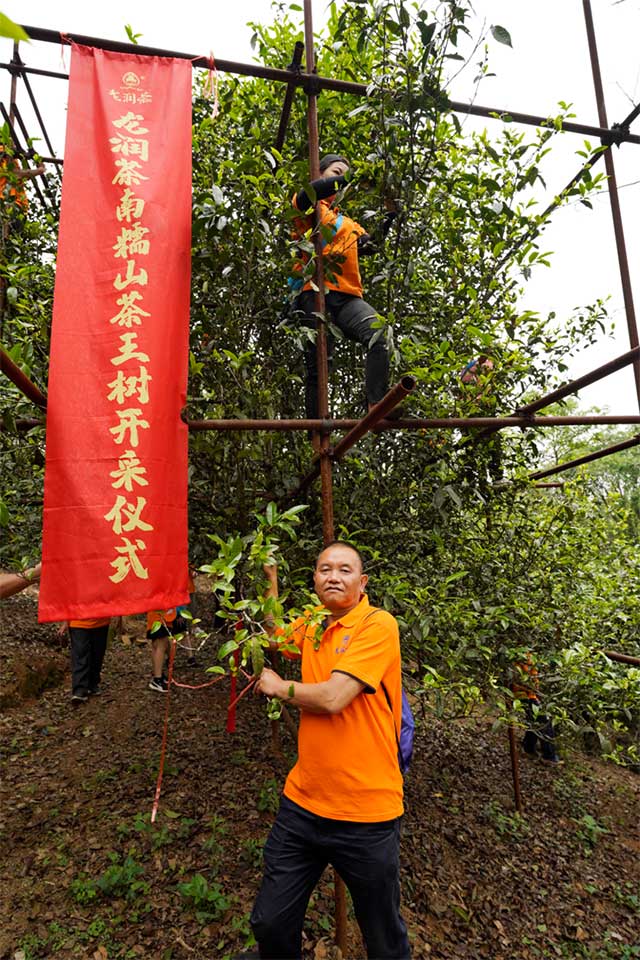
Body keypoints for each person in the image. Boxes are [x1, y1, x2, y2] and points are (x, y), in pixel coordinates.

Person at [250, 541, 410, 960]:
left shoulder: (378, 625)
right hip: (303, 804)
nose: (333, 577)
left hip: (366, 813)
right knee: (270, 923)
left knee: (383, 937)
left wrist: (280, 687)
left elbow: (335, 696)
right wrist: (270, 582)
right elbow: (275, 637)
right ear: (315, 580)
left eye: (344, 569)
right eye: (324, 570)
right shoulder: (315, 623)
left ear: (362, 581)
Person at [291, 154, 397, 419]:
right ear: (321, 172)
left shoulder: (346, 222)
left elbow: (370, 246)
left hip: (347, 295)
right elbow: (311, 191)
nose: (342, 180)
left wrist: (391, 215)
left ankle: (376, 404)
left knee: (379, 334)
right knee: (319, 367)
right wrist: (352, 177)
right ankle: (315, 434)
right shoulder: (307, 204)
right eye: (336, 172)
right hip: (313, 292)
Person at [512, 653, 562, 765]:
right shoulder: (521, 656)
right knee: (543, 723)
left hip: (529, 695)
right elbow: (523, 678)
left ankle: (528, 748)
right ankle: (549, 756)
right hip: (525, 695)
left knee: (534, 721)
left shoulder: (529, 655)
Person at [68, 617, 111, 705]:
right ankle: (79, 689)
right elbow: (66, 603)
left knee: (97, 654)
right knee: (80, 654)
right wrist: (65, 621)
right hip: (78, 623)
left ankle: (93, 683)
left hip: (101, 621)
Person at [146, 607, 178, 692]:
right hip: (159, 616)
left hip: (161, 616)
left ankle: (158, 674)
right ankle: (157, 679)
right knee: (161, 645)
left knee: (157, 645)